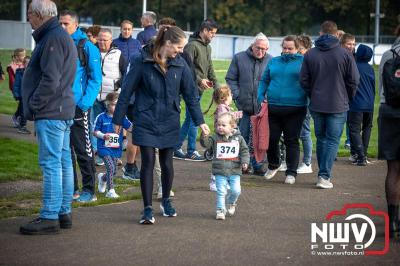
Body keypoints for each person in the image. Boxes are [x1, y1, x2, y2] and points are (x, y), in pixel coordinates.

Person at [112, 26, 210, 224]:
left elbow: (191, 96)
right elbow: (126, 92)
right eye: (179, 47)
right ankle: (147, 208)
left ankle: (166, 201)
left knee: (167, 163)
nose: (181, 51)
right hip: (145, 118)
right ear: (167, 43)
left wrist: (200, 122)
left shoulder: (180, 64)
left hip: (170, 119)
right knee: (147, 161)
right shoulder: (141, 61)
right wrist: (118, 121)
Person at [19, 0, 77, 235]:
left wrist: (33, 105)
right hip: (61, 110)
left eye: (30, 14)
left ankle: (50, 215)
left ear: (40, 16)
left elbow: (50, 80)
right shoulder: (59, 36)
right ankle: (62, 212)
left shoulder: (52, 38)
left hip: (52, 112)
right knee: (62, 162)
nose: (28, 18)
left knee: (52, 164)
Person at [300, 21, 359, 189]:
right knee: (332, 140)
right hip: (338, 103)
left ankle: (322, 174)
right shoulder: (345, 54)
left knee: (322, 139)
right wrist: (347, 96)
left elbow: (304, 80)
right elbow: (354, 80)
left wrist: (313, 94)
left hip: (318, 103)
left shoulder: (310, 54)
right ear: (337, 35)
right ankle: (324, 176)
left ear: (320, 33)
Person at [59, 10, 102, 202]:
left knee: (83, 149)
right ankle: (71, 189)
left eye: (66, 23)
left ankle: (88, 190)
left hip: (78, 107)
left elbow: (95, 79)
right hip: (58, 107)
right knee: (64, 151)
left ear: (75, 24)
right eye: (59, 23)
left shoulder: (87, 47)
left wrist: (84, 104)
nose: (62, 27)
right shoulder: (58, 42)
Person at [258, 35, 307, 185]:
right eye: (284, 48)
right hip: (273, 107)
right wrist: (261, 96)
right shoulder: (274, 61)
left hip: (296, 108)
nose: (286, 51)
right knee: (271, 139)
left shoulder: (304, 62)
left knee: (291, 140)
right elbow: (264, 80)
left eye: (290, 48)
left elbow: (310, 81)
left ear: (297, 48)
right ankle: (273, 164)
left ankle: (291, 172)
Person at [225, 32, 272, 174]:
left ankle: (257, 164)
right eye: (258, 48)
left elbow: (274, 81)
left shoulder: (271, 60)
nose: (260, 51)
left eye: (264, 49)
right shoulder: (239, 58)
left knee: (259, 139)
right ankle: (240, 165)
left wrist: (267, 96)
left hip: (261, 108)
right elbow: (230, 78)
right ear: (252, 45)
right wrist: (237, 95)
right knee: (241, 136)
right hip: (243, 106)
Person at [174, 19, 219, 161]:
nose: (213, 36)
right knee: (194, 119)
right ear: (204, 30)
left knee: (190, 119)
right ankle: (191, 151)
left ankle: (176, 146)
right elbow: (187, 68)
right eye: (212, 32)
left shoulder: (208, 47)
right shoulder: (191, 46)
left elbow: (210, 67)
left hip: (199, 90)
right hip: (189, 89)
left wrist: (216, 85)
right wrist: (200, 80)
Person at [200, 112, 249, 220]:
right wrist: (205, 135)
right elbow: (206, 144)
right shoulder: (215, 138)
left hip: (235, 170)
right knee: (221, 191)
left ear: (232, 126)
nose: (220, 127)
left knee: (236, 191)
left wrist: (245, 162)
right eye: (218, 125)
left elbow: (245, 151)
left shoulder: (239, 139)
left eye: (223, 125)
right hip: (220, 170)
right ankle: (220, 210)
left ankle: (231, 202)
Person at [92, 28, 128, 167]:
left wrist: (118, 84)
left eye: (105, 40)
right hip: (95, 97)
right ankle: (100, 155)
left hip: (112, 97)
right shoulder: (92, 52)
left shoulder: (118, 54)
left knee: (114, 127)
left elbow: (126, 73)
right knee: (98, 127)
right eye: (99, 39)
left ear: (110, 40)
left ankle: (113, 155)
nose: (102, 42)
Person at [112, 20, 142, 178]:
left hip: (133, 90)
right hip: (119, 88)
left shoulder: (137, 44)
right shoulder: (114, 43)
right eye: (124, 29)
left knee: (132, 131)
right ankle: (112, 158)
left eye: (129, 29)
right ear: (120, 29)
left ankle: (130, 165)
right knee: (114, 125)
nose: (126, 31)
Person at [378, 26, 400, 238]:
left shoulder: (387, 54)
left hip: (390, 112)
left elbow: (381, 89)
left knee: (393, 169)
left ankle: (392, 222)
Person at [204, 85, 243, 191]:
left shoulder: (225, 107)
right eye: (230, 95)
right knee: (219, 161)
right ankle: (214, 182)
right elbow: (225, 119)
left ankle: (222, 181)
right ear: (224, 98)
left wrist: (237, 114)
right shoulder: (222, 108)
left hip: (225, 139)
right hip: (221, 139)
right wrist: (234, 117)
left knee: (225, 161)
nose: (232, 96)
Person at [94, 92, 132, 199]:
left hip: (116, 149)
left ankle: (102, 178)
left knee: (113, 170)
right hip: (104, 148)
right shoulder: (101, 117)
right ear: (107, 104)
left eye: (118, 104)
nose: (116, 106)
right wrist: (103, 136)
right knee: (110, 167)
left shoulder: (121, 117)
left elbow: (130, 127)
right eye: (114, 104)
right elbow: (95, 131)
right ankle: (110, 190)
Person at [348, 44, 375, 166]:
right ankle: (363, 154)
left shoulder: (354, 66)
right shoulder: (370, 68)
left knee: (354, 130)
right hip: (369, 104)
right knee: (367, 128)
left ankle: (360, 157)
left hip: (356, 104)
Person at [296, 34, 313, 174]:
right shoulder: (297, 60)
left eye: (300, 48)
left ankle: (307, 162)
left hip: (305, 100)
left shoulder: (309, 61)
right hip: (293, 100)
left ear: (307, 48)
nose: (297, 50)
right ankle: (288, 161)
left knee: (304, 132)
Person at [340, 33, 356, 150]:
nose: (351, 46)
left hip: (350, 94)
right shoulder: (339, 56)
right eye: (349, 44)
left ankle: (349, 141)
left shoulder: (354, 56)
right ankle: (334, 149)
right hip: (341, 95)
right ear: (342, 44)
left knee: (351, 120)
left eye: (353, 44)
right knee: (339, 122)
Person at [7, 48, 26, 128]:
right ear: (17, 57)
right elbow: (12, 80)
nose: (23, 57)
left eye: (24, 55)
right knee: (22, 104)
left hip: (25, 88)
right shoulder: (11, 67)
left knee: (23, 104)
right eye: (22, 56)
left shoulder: (25, 64)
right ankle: (19, 118)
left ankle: (16, 116)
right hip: (17, 88)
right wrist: (15, 92)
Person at [12, 56, 31, 134]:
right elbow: (16, 84)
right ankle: (22, 126)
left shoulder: (32, 73)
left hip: (29, 94)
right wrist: (16, 94)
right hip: (22, 94)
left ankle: (16, 116)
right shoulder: (19, 72)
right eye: (26, 62)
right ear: (23, 63)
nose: (28, 64)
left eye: (29, 62)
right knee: (24, 110)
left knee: (21, 109)